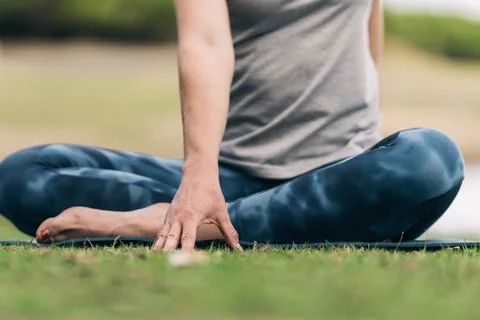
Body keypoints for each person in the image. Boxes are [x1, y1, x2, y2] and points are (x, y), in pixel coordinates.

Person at [0, 0, 464, 251]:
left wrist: (364, 167)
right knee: (23, 175)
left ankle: (147, 225)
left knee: (430, 160)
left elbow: (369, 23)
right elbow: (205, 42)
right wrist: (199, 177)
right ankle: (206, 219)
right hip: (231, 179)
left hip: (334, 178)